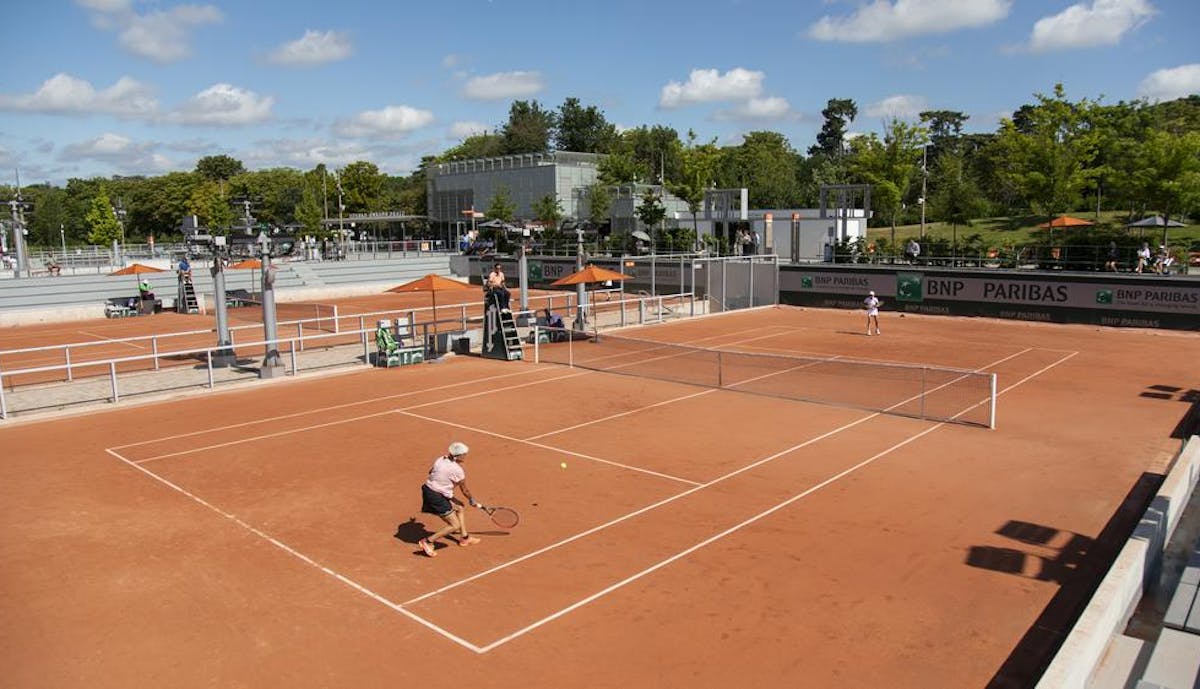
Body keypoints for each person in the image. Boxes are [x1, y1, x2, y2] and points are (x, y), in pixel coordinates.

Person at [417, 442, 481, 557]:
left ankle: (464, 538)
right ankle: (427, 541)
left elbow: (430, 471)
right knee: (454, 525)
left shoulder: (440, 459)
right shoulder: (457, 470)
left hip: (432, 490)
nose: (465, 456)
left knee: (460, 507)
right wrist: (472, 500)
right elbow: (465, 490)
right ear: (458, 456)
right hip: (435, 496)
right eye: (464, 454)